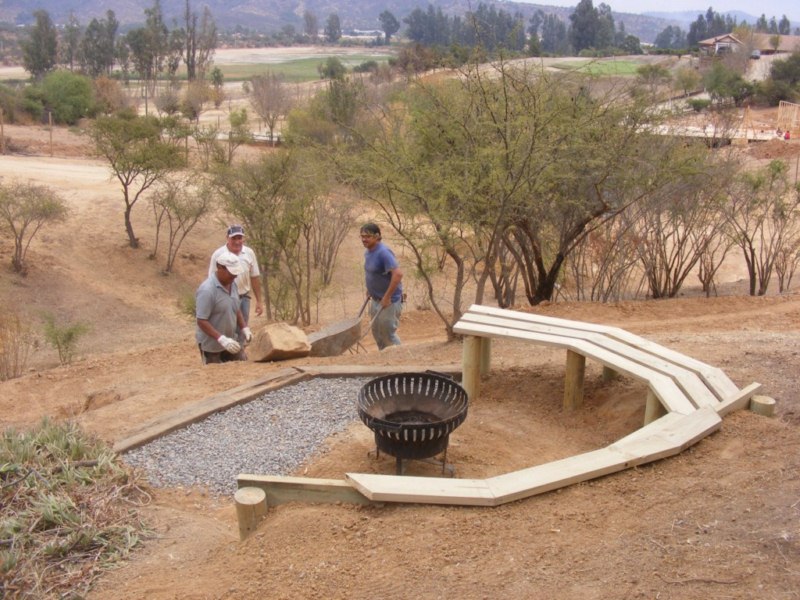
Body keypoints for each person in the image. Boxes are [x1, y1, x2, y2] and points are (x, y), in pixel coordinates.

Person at [196, 251, 253, 364]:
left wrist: (244, 328)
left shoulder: (233, 285)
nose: (235, 276)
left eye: (236, 273)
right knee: (215, 376)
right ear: (219, 267)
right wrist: (221, 339)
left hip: (231, 341)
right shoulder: (207, 290)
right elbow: (201, 320)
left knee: (242, 365)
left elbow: (236, 308)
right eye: (231, 273)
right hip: (212, 346)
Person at [208, 224, 264, 326]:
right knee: (227, 330)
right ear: (227, 238)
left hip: (244, 298)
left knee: (242, 330)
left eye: (240, 238)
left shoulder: (249, 253)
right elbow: (211, 280)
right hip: (225, 298)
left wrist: (259, 301)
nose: (237, 241)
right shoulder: (218, 255)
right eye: (234, 238)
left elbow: (254, 276)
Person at [360, 222, 403, 350]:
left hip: (389, 301)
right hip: (375, 299)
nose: (364, 239)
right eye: (362, 236)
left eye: (367, 236)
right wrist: (370, 289)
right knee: (377, 333)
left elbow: (398, 274)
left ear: (377, 236)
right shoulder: (368, 252)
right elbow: (373, 272)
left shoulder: (383, 252)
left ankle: (399, 361)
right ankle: (384, 360)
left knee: (388, 335)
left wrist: (387, 297)